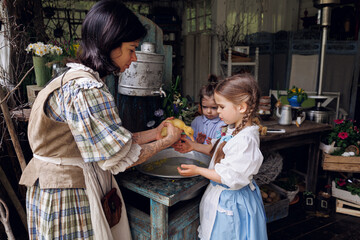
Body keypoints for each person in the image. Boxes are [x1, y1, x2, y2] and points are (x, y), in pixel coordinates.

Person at [19, 1, 182, 239]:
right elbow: (119, 158)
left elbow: (107, 141)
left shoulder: (71, 78)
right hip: (67, 195)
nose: (134, 58)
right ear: (109, 44)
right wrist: (165, 143)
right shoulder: (87, 89)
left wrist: (155, 133)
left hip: (50, 187)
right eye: (131, 49)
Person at [174, 73, 268, 240]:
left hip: (232, 201)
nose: (218, 111)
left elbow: (227, 176)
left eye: (221, 107)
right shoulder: (233, 128)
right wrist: (193, 146)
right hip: (221, 196)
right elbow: (217, 150)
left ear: (242, 107)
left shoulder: (245, 141)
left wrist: (198, 170)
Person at [191, 74, 224, 144]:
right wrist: (197, 142)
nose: (209, 111)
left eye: (214, 108)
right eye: (205, 107)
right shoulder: (196, 122)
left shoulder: (223, 124)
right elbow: (189, 142)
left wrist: (213, 144)